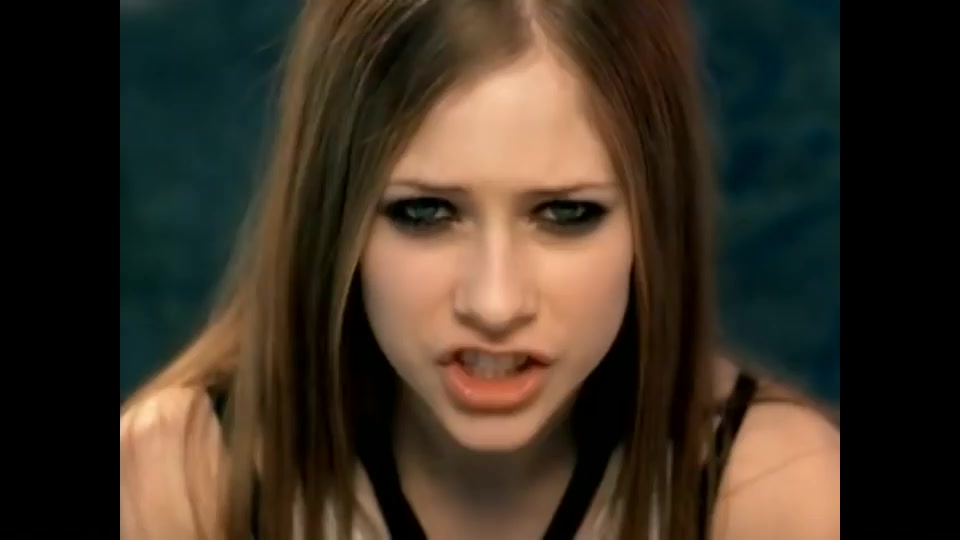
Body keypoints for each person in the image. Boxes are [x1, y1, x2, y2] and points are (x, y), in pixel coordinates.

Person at [119, 1, 840, 539]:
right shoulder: (176, 483)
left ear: (654, 222)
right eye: (425, 212)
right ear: (332, 220)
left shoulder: (779, 496)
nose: (495, 303)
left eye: (566, 214)